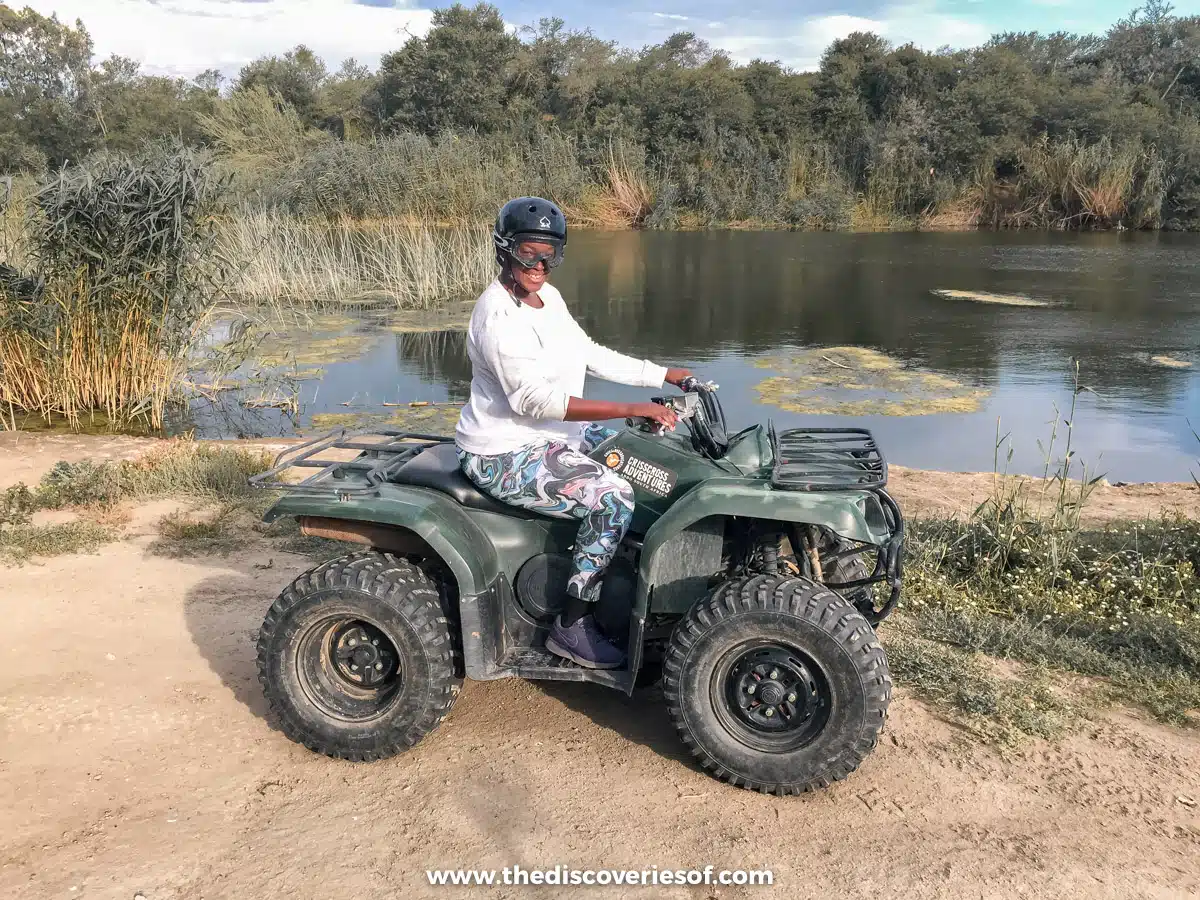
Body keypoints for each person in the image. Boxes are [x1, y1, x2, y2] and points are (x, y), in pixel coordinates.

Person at [455, 197, 691, 670]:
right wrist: (628, 406)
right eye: (528, 253)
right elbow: (534, 402)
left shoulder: (550, 299)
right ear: (505, 249)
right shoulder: (498, 316)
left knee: (653, 460)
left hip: (554, 440)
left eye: (550, 255)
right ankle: (572, 623)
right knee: (612, 499)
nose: (540, 265)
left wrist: (662, 374)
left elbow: (589, 353)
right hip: (503, 452)